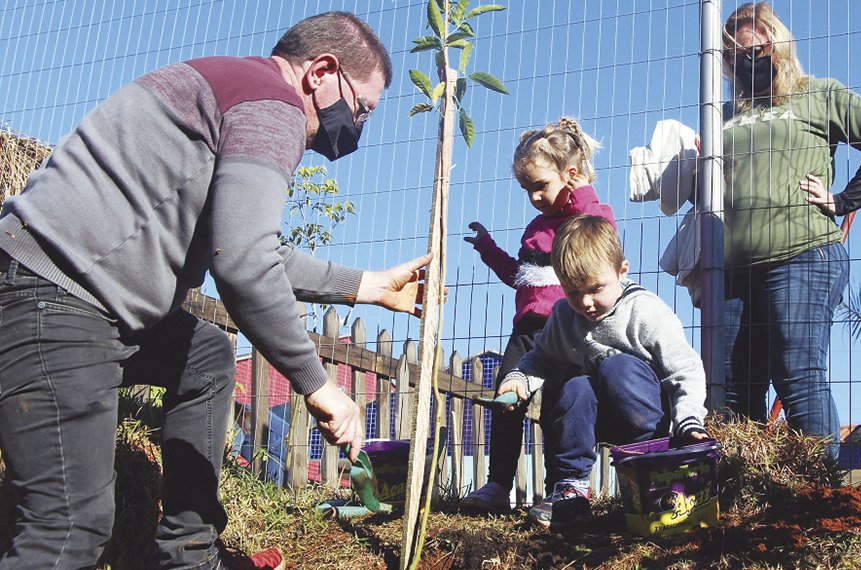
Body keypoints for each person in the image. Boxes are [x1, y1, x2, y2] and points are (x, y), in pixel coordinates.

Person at [0, 12, 432, 570]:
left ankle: (189, 552)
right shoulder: (272, 105)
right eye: (362, 107)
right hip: (54, 297)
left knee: (203, 355)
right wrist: (318, 384)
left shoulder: (236, 90)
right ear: (322, 72)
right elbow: (245, 264)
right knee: (67, 528)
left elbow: (251, 248)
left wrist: (367, 287)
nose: (358, 126)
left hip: (73, 294)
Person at [718, 3, 861, 446]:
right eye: (733, 55)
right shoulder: (723, 114)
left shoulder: (816, 94)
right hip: (731, 270)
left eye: (755, 49)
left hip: (802, 255)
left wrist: (844, 201)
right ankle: (750, 494)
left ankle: (822, 496)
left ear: (777, 46)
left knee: (797, 373)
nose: (745, 60)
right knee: (730, 386)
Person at [497, 215, 709, 529]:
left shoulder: (644, 312)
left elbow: (685, 370)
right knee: (574, 386)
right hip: (601, 416)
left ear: (622, 271)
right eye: (572, 292)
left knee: (616, 367)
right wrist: (517, 379)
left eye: (595, 289)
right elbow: (540, 359)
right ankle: (572, 489)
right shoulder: (564, 315)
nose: (585, 302)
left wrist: (688, 420)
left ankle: (652, 464)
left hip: (649, 415)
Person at [460, 118, 617, 514]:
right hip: (527, 331)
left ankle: (557, 490)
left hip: (564, 330)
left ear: (571, 175)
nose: (533, 197)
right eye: (527, 189)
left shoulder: (585, 219)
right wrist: (488, 249)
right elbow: (521, 277)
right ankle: (498, 484)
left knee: (558, 409)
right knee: (507, 399)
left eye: (540, 186)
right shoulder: (534, 229)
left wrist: (582, 191)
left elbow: (600, 230)